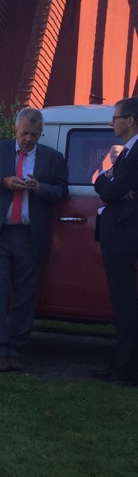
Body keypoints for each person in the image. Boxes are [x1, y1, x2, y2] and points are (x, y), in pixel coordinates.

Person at [0, 107, 69, 372]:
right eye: (25, 133)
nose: (28, 139)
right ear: (15, 129)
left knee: (25, 296)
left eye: (35, 135)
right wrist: (3, 183)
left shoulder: (52, 158)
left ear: (40, 134)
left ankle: (15, 348)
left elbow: (62, 191)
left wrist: (40, 188)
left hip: (30, 235)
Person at [93, 98, 138, 386]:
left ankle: (126, 370)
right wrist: (109, 181)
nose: (111, 122)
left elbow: (110, 190)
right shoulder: (127, 152)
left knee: (125, 304)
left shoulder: (135, 153)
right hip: (120, 235)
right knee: (122, 304)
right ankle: (121, 364)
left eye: (115, 117)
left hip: (124, 236)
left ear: (130, 120)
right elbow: (111, 184)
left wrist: (106, 182)